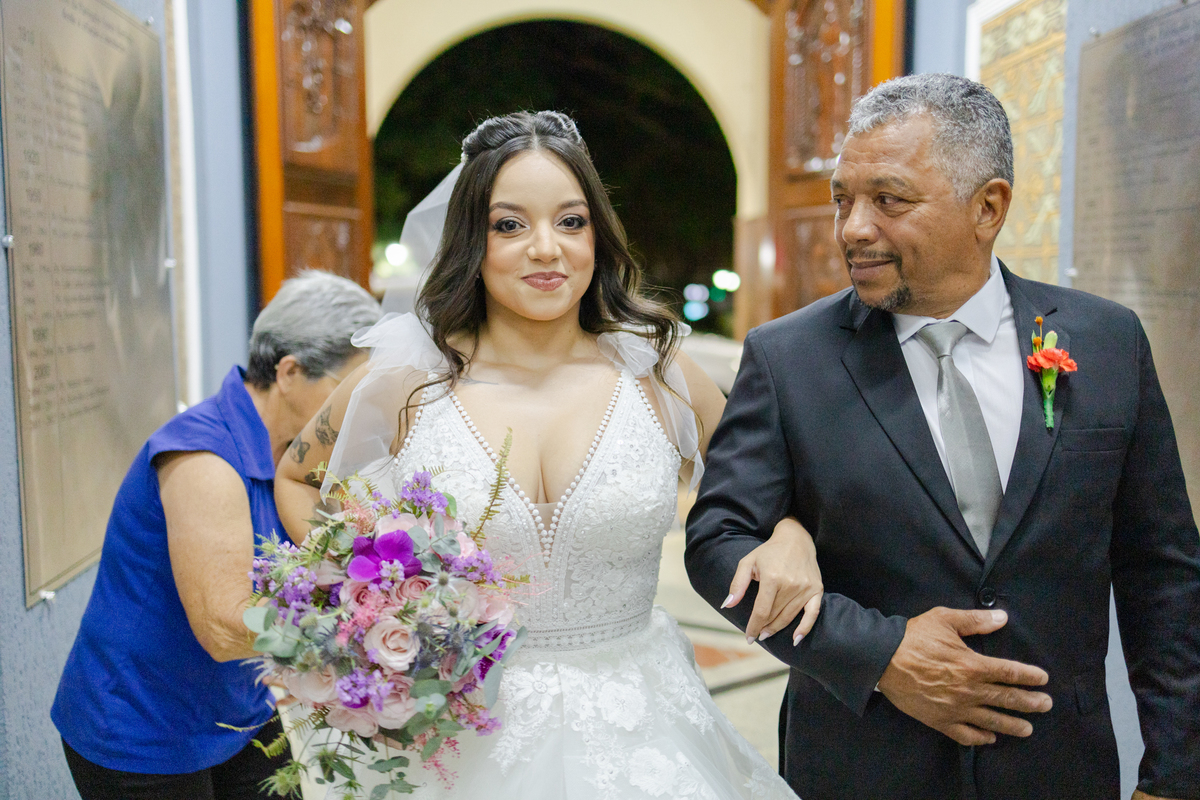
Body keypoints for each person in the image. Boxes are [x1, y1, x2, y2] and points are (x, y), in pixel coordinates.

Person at [276, 111, 821, 798]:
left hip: (641, 727)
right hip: (461, 735)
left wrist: (793, 532)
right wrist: (371, 595)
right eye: (510, 225)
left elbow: (775, 490)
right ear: (472, 239)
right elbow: (298, 478)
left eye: (571, 221)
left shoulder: (660, 373)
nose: (547, 248)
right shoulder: (406, 380)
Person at [685, 73, 1200, 800]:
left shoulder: (1108, 342)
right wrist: (881, 652)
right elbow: (716, 543)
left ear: (988, 208)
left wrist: (1176, 777)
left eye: (889, 200)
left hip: (1057, 768)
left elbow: (1164, 574)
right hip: (861, 766)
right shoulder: (788, 357)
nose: (853, 228)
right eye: (843, 199)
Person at [52, 272, 382, 799]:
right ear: (290, 372)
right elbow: (225, 627)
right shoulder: (204, 458)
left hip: (235, 706)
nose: (357, 408)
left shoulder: (300, 456)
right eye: (349, 388)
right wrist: (368, 631)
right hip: (140, 724)